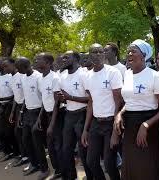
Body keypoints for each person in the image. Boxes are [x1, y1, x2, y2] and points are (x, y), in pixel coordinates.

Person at [112, 39, 159, 180]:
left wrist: (146, 125)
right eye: (128, 51)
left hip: (149, 127)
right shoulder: (127, 74)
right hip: (130, 126)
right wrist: (120, 113)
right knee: (131, 165)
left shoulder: (155, 76)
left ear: (143, 56)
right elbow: (129, 102)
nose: (129, 53)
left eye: (133, 51)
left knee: (147, 167)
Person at [81, 43, 122, 180]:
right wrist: (85, 129)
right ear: (89, 55)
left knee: (110, 163)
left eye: (100, 52)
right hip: (96, 123)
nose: (98, 55)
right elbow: (91, 102)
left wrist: (116, 131)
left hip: (111, 122)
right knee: (91, 161)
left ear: (104, 54)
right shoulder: (87, 76)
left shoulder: (112, 72)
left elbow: (119, 101)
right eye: (94, 52)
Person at [58, 51, 93, 180]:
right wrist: (62, 99)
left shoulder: (84, 75)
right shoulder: (62, 76)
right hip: (69, 115)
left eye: (67, 57)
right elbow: (64, 99)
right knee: (66, 149)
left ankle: (90, 176)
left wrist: (70, 97)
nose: (63, 59)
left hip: (82, 115)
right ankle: (71, 176)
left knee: (84, 151)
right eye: (63, 57)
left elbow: (90, 99)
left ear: (76, 59)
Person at [35, 53, 62, 179]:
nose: (35, 60)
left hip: (57, 115)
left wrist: (51, 123)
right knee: (50, 145)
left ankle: (62, 170)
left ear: (48, 63)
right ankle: (58, 169)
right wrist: (40, 117)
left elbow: (57, 102)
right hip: (47, 114)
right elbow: (44, 100)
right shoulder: (40, 78)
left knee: (56, 145)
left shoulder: (55, 78)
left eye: (39, 59)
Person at [16, 57, 42, 176]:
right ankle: (33, 163)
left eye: (18, 67)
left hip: (38, 112)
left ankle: (44, 168)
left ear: (25, 66)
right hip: (27, 112)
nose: (17, 69)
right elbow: (26, 97)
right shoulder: (22, 77)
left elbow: (44, 99)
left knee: (37, 142)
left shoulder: (38, 77)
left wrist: (40, 118)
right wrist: (21, 113)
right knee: (25, 139)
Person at [0, 57, 19, 160]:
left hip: (10, 105)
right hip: (1, 106)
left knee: (10, 132)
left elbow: (15, 95)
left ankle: (16, 152)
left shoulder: (10, 76)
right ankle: (6, 151)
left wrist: (4, 98)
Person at [6, 58, 29, 167]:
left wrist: (21, 111)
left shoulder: (22, 76)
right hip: (17, 107)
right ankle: (24, 155)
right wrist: (12, 112)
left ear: (13, 65)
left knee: (24, 134)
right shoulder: (11, 78)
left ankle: (28, 156)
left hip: (25, 107)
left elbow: (26, 95)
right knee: (18, 133)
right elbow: (16, 96)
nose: (5, 68)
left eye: (7, 66)